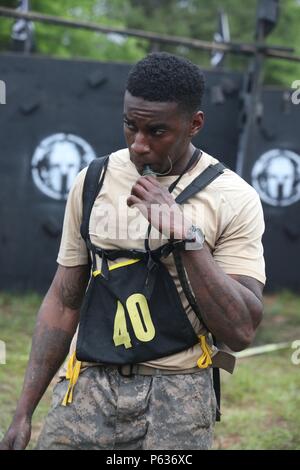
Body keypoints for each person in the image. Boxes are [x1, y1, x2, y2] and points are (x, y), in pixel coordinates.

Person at [0, 52, 265, 451]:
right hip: (88, 383)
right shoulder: (93, 180)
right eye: (130, 126)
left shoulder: (234, 197)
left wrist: (186, 236)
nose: (139, 145)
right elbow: (63, 300)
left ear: (195, 124)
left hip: (179, 391)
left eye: (157, 131)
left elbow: (241, 329)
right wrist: (23, 412)